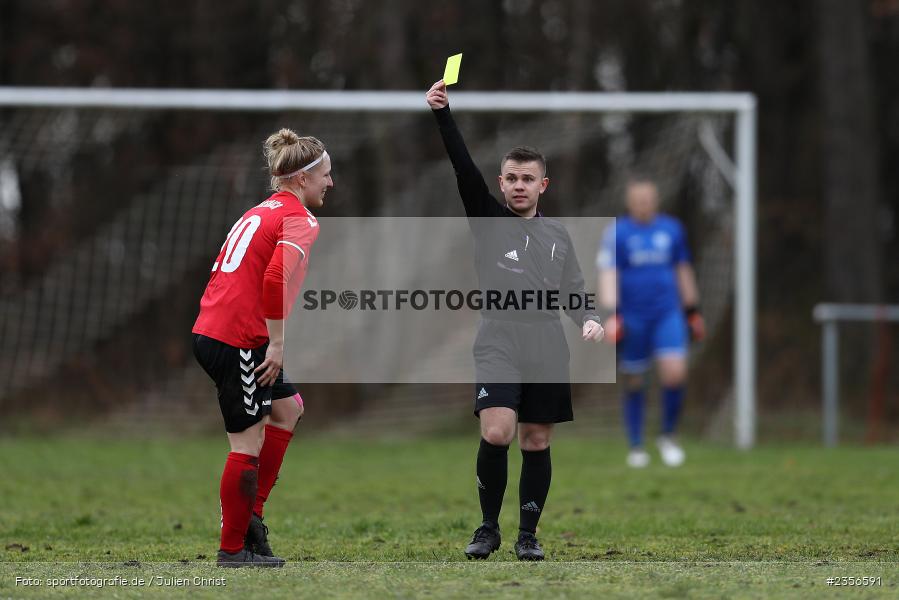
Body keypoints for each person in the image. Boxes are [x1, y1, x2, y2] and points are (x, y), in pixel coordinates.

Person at [426, 80, 604, 561]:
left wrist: (588, 317)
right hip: (499, 339)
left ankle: (528, 534)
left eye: (528, 179)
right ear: (501, 184)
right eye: (511, 178)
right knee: (498, 431)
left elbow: (572, 289)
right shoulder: (487, 218)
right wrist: (444, 114)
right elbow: (463, 168)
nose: (519, 186)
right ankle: (487, 528)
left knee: (536, 438)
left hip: (547, 342)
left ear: (542, 185)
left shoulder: (557, 235)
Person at [191, 129, 333, 567]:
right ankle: (233, 549)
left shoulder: (260, 209)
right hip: (238, 341)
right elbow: (274, 278)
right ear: (304, 179)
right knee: (245, 445)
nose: (331, 182)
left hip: (217, 330)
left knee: (288, 408)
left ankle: (252, 515)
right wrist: (276, 343)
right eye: (326, 174)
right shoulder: (300, 219)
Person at [596, 174, 705, 468]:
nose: (644, 204)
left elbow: (683, 269)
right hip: (632, 316)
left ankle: (668, 436)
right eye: (638, 200)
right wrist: (611, 315)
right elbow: (609, 274)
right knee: (635, 380)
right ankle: (636, 445)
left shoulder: (672, 230)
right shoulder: (617, 233)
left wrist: (692, 310)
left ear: (655, 200)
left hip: (667, 313)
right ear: (630, 202)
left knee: (675, 372)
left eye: (648, 199)